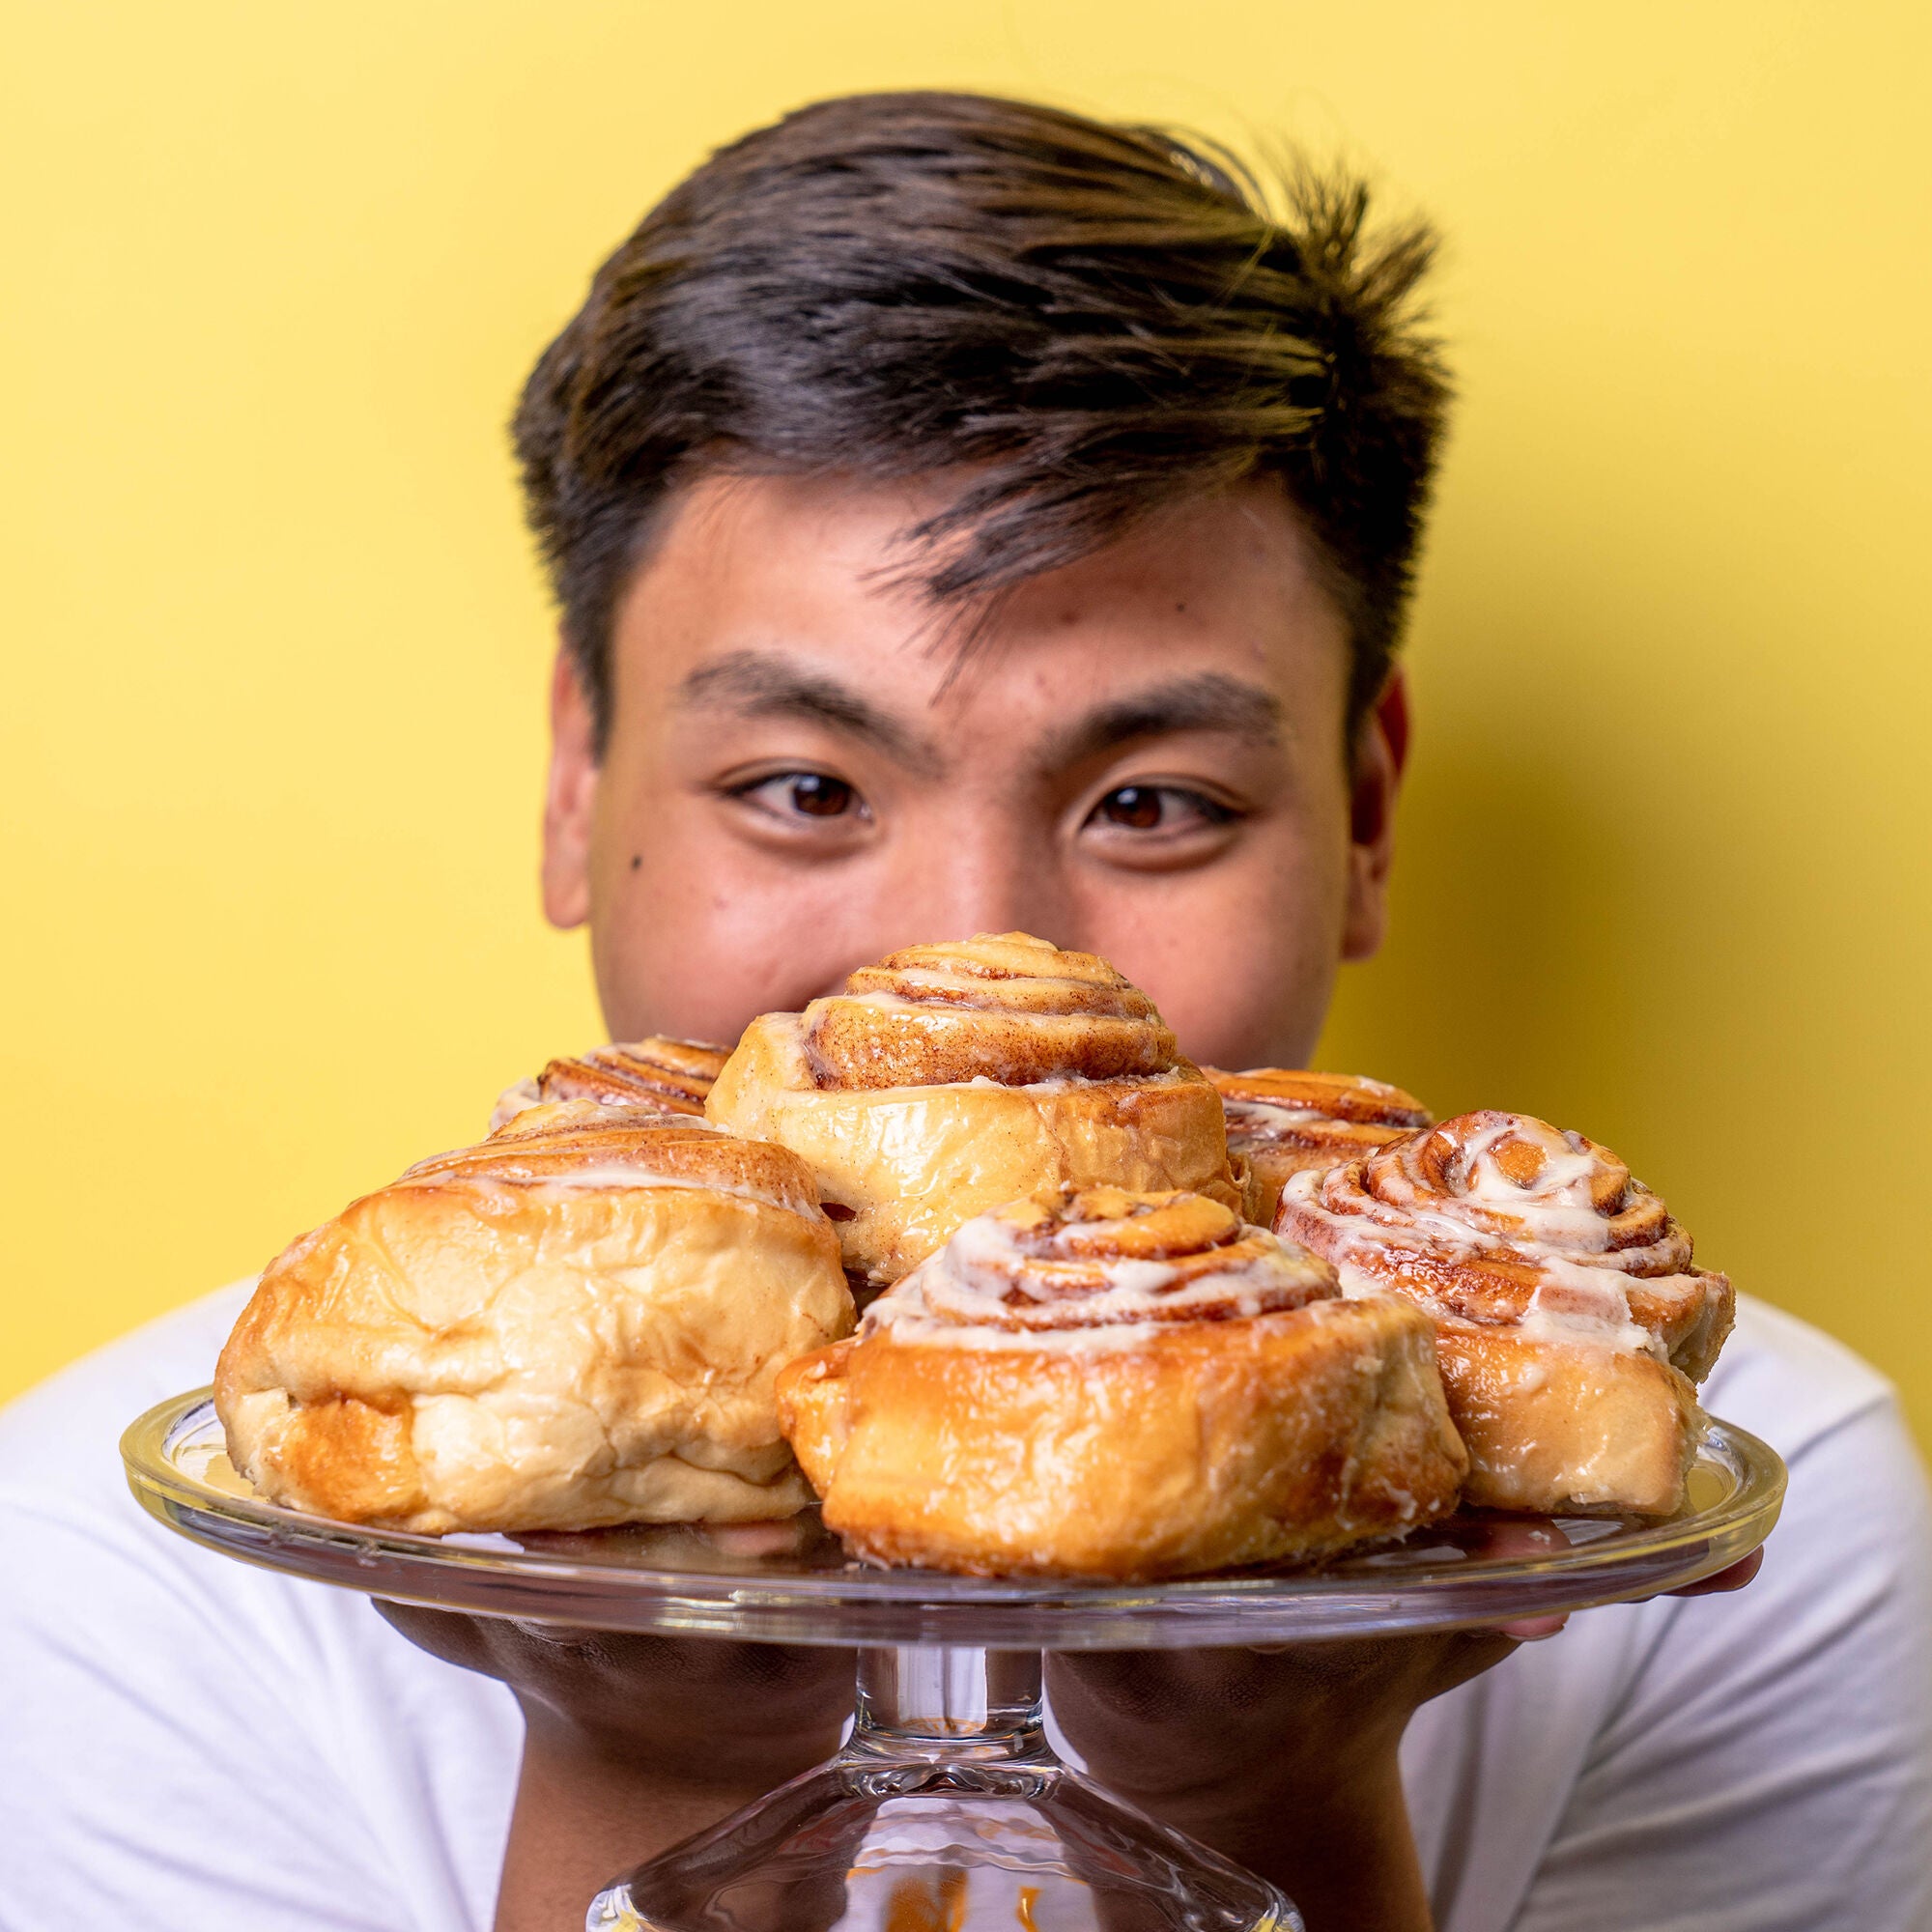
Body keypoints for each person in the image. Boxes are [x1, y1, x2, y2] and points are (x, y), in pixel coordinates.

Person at [3, 90, 1927, 1932]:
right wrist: (652, 1741)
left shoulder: (1751, 1511)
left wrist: (1276, 1779)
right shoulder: (113, 1566)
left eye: (1151, 805)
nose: (976, 951)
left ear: (1362, 815)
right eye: (805, 788)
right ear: (579, 786)